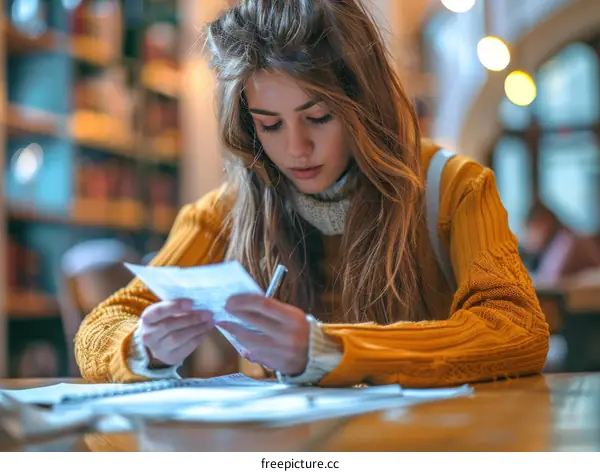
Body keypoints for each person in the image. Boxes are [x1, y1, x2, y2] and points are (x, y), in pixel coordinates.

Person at [74, 0, 549, 388]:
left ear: (366, 105)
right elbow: (101, 326)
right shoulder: (224, 212)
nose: (296, 149)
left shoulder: (455, 188)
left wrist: (327, 349)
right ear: (247, 126)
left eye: (318, 117)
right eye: (270, 124)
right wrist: (143, 346)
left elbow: (518, 330)